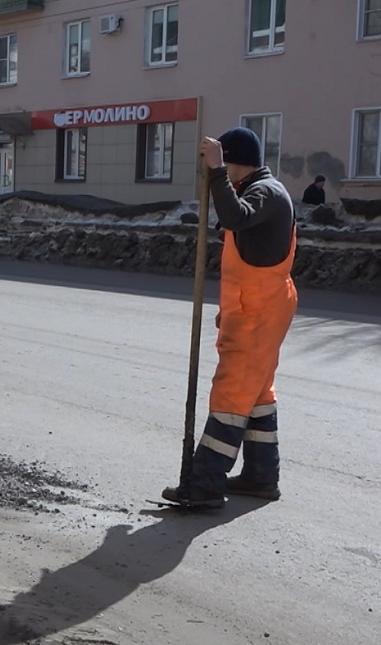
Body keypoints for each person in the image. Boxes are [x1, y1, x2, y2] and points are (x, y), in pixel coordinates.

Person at [163, 127, 297, 508]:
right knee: (256, 395)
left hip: (259, 311)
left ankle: (204, 487)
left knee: (231, 394)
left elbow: (234, 218)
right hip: (257, 307)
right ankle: (259, 477)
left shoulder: (264, 193)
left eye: (226, 165)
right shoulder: (260, 188)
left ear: (236, 162)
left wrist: (217, 172)